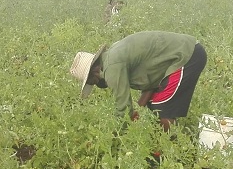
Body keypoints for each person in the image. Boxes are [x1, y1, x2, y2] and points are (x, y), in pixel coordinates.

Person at [70, 31, 207, 131]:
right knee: (155, 105)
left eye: (92, 82)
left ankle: (170, 150)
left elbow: (123, 107)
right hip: (187, 51)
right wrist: (140, 107)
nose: (96, 84)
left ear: (93, 72)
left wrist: (119, 134)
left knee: (161, 109)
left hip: (186, 55)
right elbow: (152, 80)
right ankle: (167, 144)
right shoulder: (113, 55)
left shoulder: (112, 67)